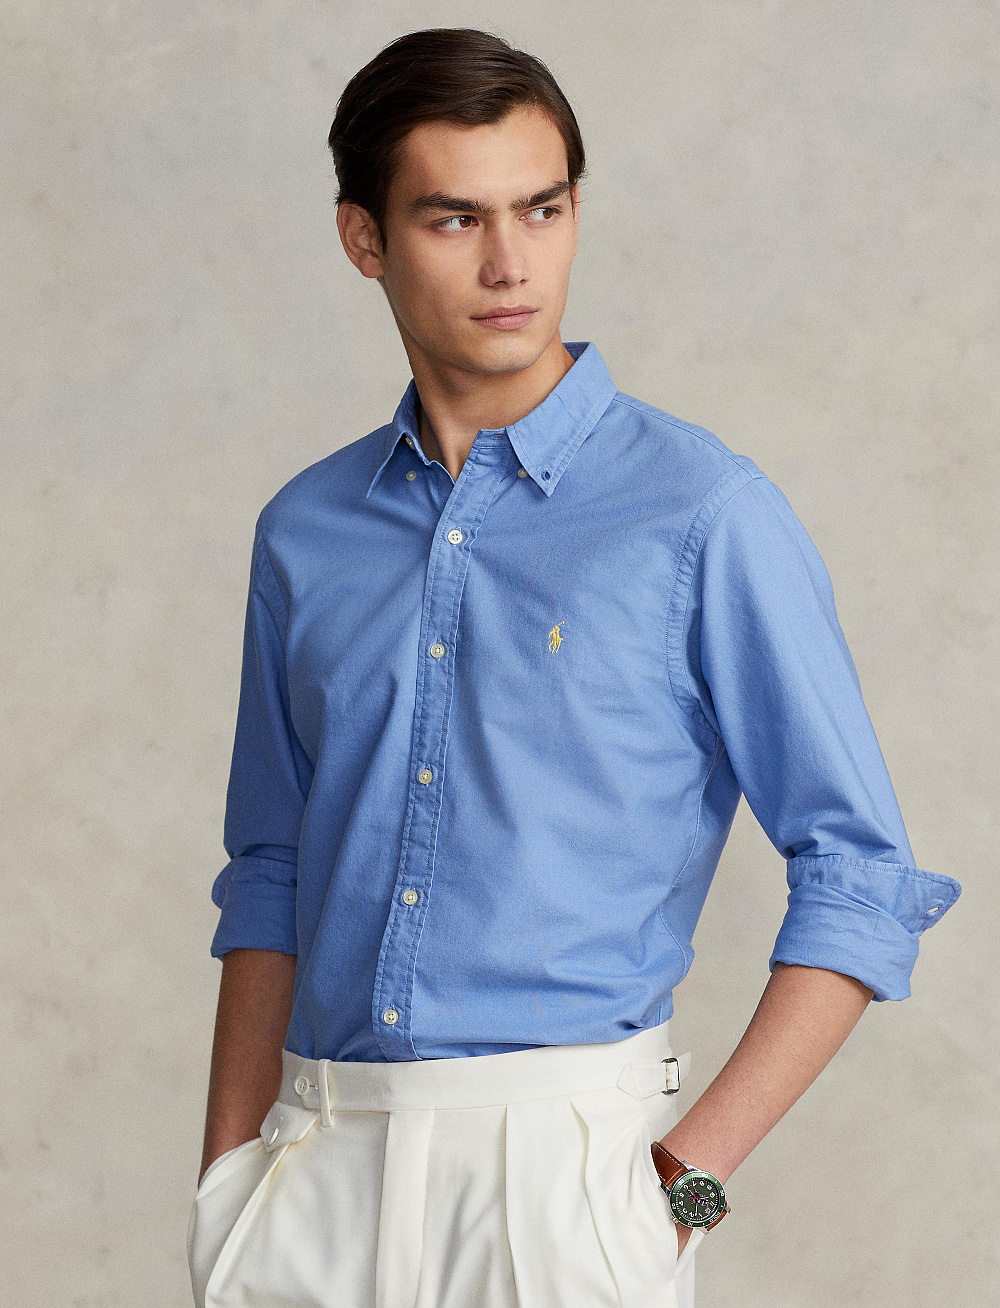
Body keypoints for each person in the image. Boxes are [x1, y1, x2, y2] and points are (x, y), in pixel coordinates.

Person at [187, 26, 961, 1308]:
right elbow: (271, 867)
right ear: (364, 239)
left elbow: (863, 879)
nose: (510, 263)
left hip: (567, 1185)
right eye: (454, 219)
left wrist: (677, 1199)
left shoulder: (702, 515)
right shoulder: (305, 531)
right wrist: (226, 1182)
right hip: (313, 1164)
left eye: (541, 210)